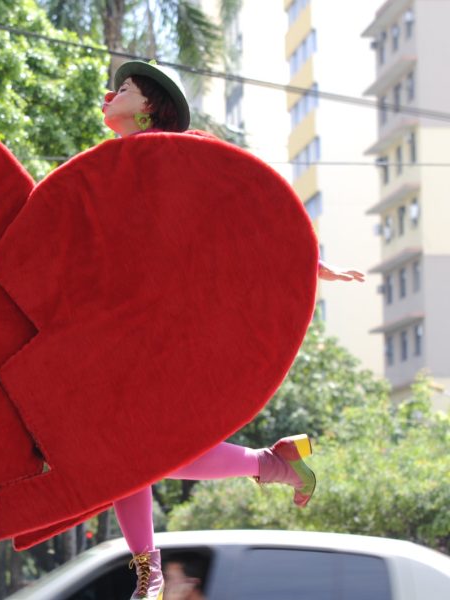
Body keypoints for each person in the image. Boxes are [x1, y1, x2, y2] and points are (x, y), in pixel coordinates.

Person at [101, 60, 365, 600]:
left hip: (167, 326)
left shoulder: (181, 151)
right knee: (133, 452)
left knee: (125, 450)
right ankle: (273, 465)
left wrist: (311, 259)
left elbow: (256, 197)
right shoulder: (107, 164)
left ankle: (150, 571)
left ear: (149, 106)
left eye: (123, 88)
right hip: (125, 327)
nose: (109, 93)